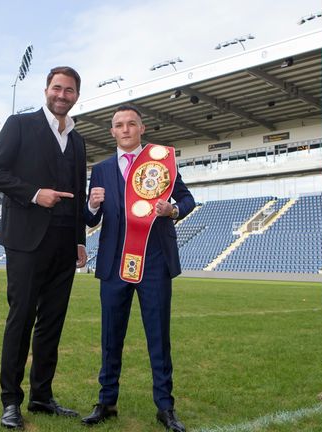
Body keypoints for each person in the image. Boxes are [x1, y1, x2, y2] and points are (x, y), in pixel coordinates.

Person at [0, 66, 87, 429]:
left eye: (69, 90)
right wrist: (33, 194)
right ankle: (11, 401)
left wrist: (79, 240)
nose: (62, 95)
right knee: (22, 318)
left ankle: (42, 396)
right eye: (57, 88)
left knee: (52, 324)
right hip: (27, 240)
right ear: (46, 90)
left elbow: (77, 193)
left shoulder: (77, 139)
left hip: (63, 243)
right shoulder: (20, 125)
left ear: (76, 95)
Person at [81, 105, 194, 432]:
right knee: (110, 337)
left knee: (159, 337)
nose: (126, 129)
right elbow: (90, 218)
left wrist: (171, 209)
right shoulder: (101, 170)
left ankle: (165, 408)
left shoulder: (161, 162)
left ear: (142, 128)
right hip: (114, 264)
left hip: (154, 262)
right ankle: (107, 402)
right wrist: (91, 204)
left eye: (132, 123)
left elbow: (187, 200)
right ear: (112, 132)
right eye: (119, 125)